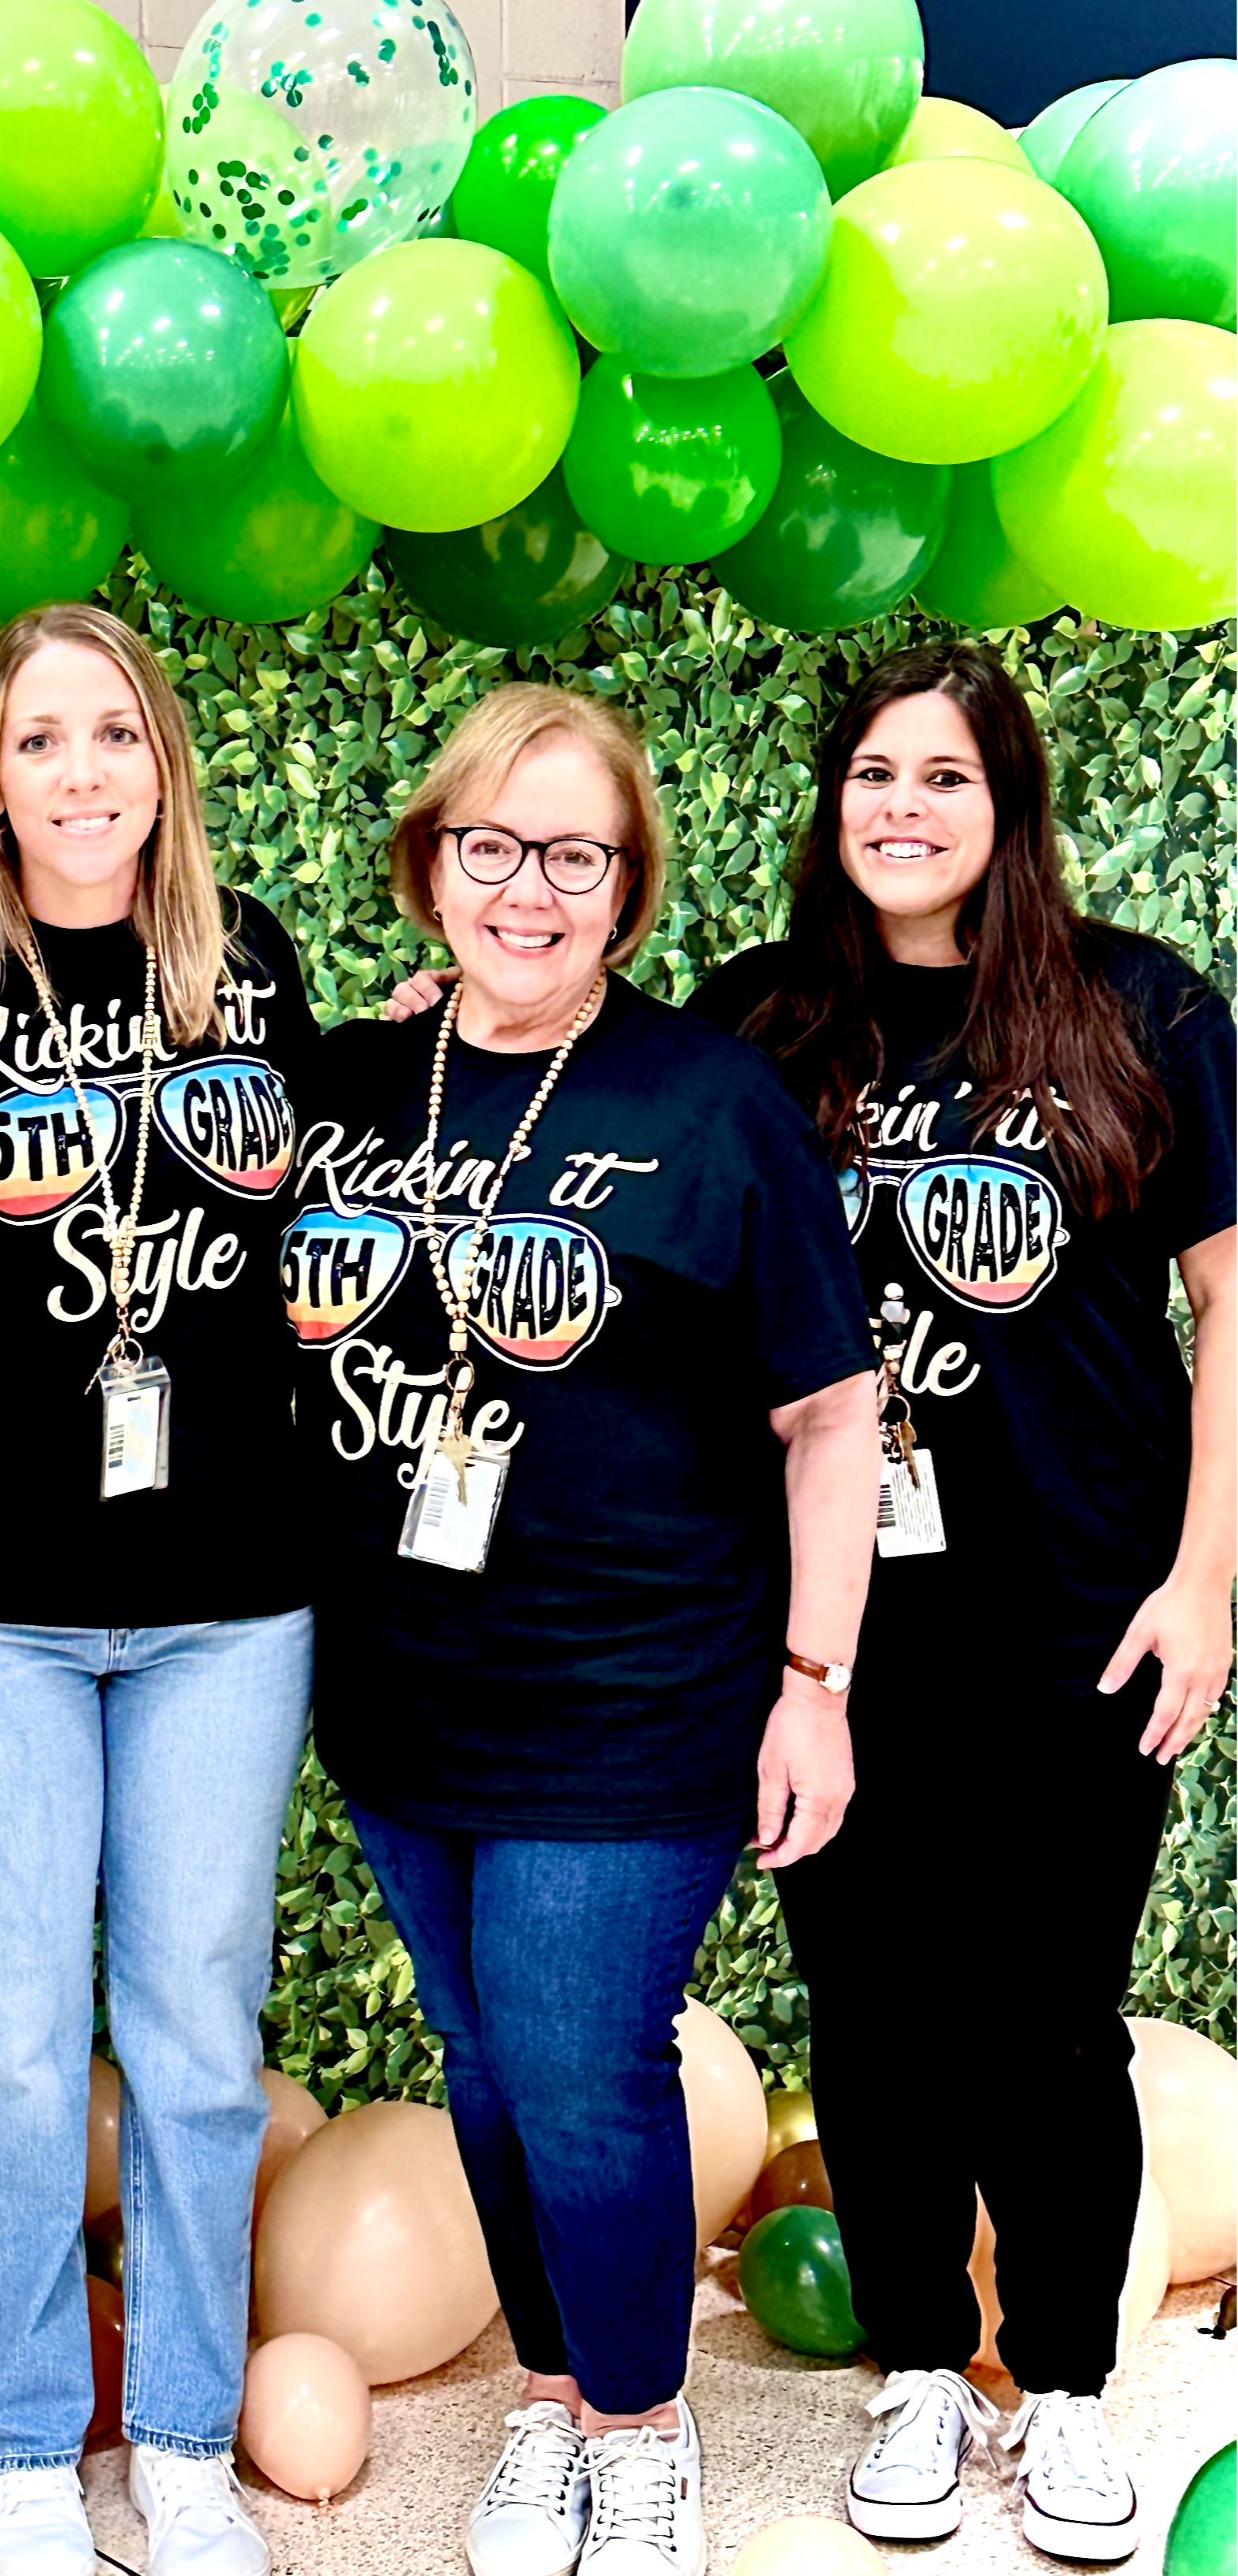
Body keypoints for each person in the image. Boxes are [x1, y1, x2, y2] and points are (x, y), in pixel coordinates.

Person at [306, 681, 880, 2576]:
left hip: (636, 1691)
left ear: (626, 887)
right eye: (491, 845)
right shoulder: (351, 1086)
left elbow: (831, 1416)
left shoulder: (707, 1104)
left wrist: (815, 1684)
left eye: (573, 854)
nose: (525, 889)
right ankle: (555, 2396)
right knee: (483, 2058)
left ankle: (639, 2427)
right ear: (431, 866)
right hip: (402, 1694)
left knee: (579, 2064)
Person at [688, 642, 1236, 2563]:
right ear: (829, 804)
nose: (902, 808)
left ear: (1006, 809)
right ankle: (920, 2366)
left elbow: (1231, 1305)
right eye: (871, 775)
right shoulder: (755, 1027)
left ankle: (1071, 2390)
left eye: (945, 777)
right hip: (833, 1624)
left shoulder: (1135, 1006)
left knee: (1053, 2017)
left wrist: (1205, 1583)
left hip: (1085, 1602)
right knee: (875, 2006)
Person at [0, 602, 320, 2576]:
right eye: (38, 741)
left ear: (162, 765)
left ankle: (190, 2435)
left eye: (112, 734)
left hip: (230, 1596)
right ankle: (32, 2446)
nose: (80, 775)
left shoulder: (253, 975)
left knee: (200, 2032)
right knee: (19, 2035)